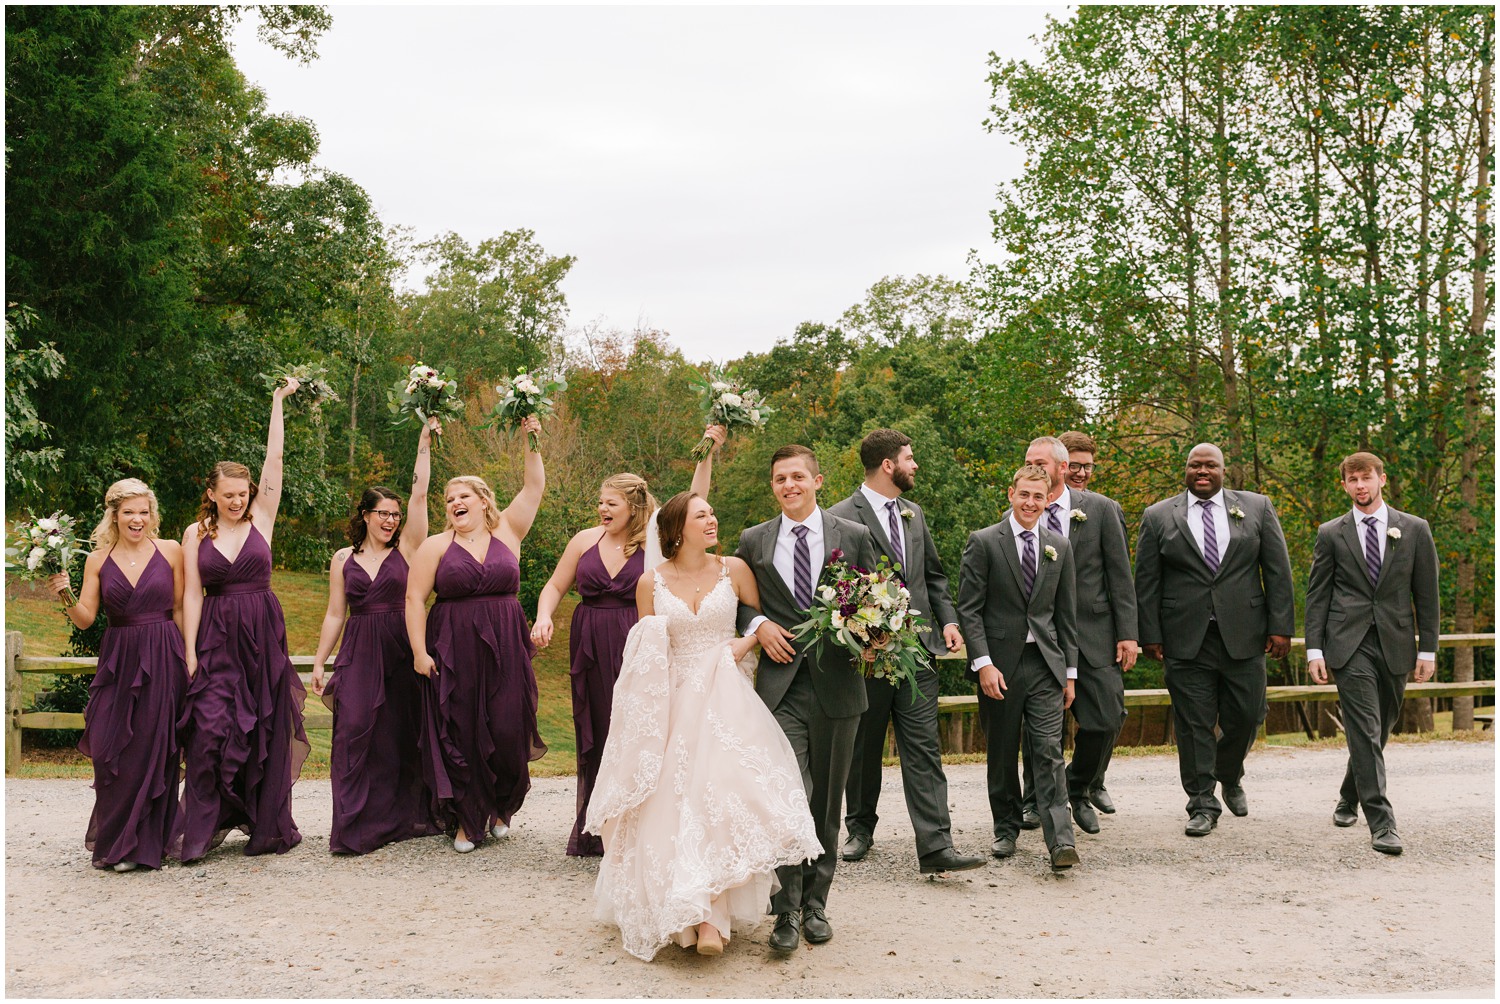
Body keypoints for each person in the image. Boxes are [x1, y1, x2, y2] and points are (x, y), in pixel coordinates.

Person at [587, 492, 821, 961]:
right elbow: (647, 654)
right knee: (673, 805)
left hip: (725, 697)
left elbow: (757, 620)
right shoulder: (650, 583)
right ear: (676, 530)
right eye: (701, 516)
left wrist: (746, 642)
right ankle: (684, 913)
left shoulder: (733, 569)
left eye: (713, 512)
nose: (712, 520)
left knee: (718, 800)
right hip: (672, 702)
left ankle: (713, 916)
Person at [531, 426, 724, 856]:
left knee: (640, 730)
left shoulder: (656, 539)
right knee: (597, 731)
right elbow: (554, 587)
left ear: (633, 506)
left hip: (639, 644)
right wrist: (544, 616)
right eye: (599, 502)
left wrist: (707, 452)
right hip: (590, 646)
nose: (602, 508)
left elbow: (694, 499)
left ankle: (642, 829)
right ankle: (597, 828)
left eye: (610, 502)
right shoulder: (585, 541)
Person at [733, 444, 880, 954]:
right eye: (779, 479)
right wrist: (760, 624)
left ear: (818, 482)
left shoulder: (855, 536)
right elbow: (739, 607)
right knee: (785, 797)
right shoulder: (753, 541)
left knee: (825, 801)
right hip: (779, 689)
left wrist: (869, 631)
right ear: (772, 486)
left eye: (798, 476)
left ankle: (818, 902)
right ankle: (786, 910)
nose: (789, 485)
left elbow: (876, 597)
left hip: (839, 685)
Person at [830, 429, 983, 875]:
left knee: (924, 748)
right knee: (863, 747)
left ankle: (937, 846)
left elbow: (933, 576)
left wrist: (949, 621)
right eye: (910, 458)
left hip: (920, 651)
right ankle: (859, 828)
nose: (915, 466)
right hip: (868, 656)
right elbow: (838, 587)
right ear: (888, 465)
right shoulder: (841, 515)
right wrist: (864, 635)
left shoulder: (913, 513)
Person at [173, 378, 309, 861]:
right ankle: (202, 828)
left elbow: (275, 462)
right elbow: (191, 594)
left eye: (242, 493)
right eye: (227, 494)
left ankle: (264, 824)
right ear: (211, 494)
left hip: (261, 634)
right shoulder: (195, 532)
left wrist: (277, 403)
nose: (237, 500)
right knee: (209, 730)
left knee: (265, 730)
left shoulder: (263, 519)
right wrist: (189, 651)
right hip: (214, 635)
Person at [1134, 443, 1295, 837]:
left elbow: (1277, 570)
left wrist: (1281, 626)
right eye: (1194, 465)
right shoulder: (1158, 516)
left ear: (1225, 471)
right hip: (1185, 637)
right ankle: (1202, 803)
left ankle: (1229, 773)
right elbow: (1147, 582)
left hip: (1244, 633)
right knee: (1193, 724)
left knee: (1248, 715)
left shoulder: (1257, 507)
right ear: (1185, 470)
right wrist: (1149, 634)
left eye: (1210, 466)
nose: (1202, 471)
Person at [405, 415, 546, 853]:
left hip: (507, 646)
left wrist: (532, 438)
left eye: (462, 496)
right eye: (449, 499)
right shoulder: (435, 547)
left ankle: (502, 808)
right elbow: (413, 600)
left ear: (484, 501)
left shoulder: (509, 531)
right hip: (454, 648)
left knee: (508, 727)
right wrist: (417, 652)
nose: (453, 503)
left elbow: (534, 487)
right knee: (462, 732)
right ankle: (468, 820)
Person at [309, 417, 444, 854]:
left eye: (395, 514)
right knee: (353, 732)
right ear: (365, 516)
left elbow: (421, 495)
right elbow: (334, 613)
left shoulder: (407, 549)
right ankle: (352, 826)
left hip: (401, 648)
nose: (390, 520)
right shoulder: (342, 558)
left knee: (399, 734)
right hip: (358, 651)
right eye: (382, 513)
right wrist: (319, 661)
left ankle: (400, 819)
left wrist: (423, 444)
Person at [1304, 452, 1440, 856]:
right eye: (1352, 480)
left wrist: (1428, 649)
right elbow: (1317, 595)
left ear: (1382, 479)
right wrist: (1315, 649)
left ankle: (1349, 795)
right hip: (1348, 645)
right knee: (1363, 727)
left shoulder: (1414, 529)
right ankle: (1382, 823)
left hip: (1396, 643)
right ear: (1343, 485)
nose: (1360, 486)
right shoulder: (1331, 533)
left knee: (1380, 729)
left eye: (1366, 478)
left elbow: (1427, 596)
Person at [49, 479, 187, 872]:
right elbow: (85, 619)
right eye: (129, 512)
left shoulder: (172, 551)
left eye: (143, 511)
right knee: (111, 747)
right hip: (118, 658)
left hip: (163, 655)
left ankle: (141, 847)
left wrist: (189, 658)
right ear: (114, 515)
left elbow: (180, 609)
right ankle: (118, 840)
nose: (137, 519)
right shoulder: (97, 559)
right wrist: (65, 594)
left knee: (152, 747)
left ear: (152, 514)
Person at [957, 464, 1081, 871]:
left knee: (1048, 751)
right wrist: (983, 663)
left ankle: (1060, 840)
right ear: (1011, 494)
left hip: (1045, 664)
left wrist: (1070, 672)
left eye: (1039, 497)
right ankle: (1006, 827)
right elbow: (969, 610)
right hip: (1000, 666)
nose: (1031, 503)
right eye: (1024, 495)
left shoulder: (1059, 546)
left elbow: (1067, 616)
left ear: (1048, 500)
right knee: (1003, 749)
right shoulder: (984, 542)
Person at [1016, 436, 1136, 834]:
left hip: (1094, 632)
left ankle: (1078, 787)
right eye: (1028, 461)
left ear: (1062, 469)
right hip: (1040, 639)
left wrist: (1128, 634)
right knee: (1038, 729)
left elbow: (1120, 576)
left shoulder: (1101, 510)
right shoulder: (1020, 511)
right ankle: (1034, 800)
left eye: (1040, 461)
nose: (1032, 466)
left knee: (1106, 718)